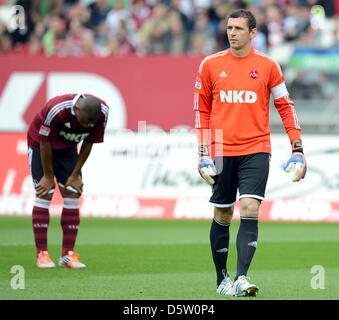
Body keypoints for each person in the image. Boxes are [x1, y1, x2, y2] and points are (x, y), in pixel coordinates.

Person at [194, 9, 306, 297]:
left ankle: (242, 277)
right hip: (220, 149)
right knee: (222, 212)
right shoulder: (210, 65)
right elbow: (201, 111)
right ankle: (222, 279)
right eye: (229, 27)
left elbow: (285, 105)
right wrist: (203, 152)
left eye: (239, 29)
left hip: (256, 148)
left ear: (253, 33)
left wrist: (297, 148)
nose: (232, 33)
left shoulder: (268, 66)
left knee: (250, 208)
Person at [27, 93, 109, 269]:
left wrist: (76, 174)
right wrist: (48, 176)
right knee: (44, 193)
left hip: (68, 150)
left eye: (90, 124)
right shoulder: (56, 109)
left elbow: (88, 142)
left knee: (72, 192)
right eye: (84, 122)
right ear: (76, 109)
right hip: (40, 145)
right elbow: (44, 143)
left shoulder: (102, 113)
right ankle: (42, 254)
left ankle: (67, 255)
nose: (86, 126)